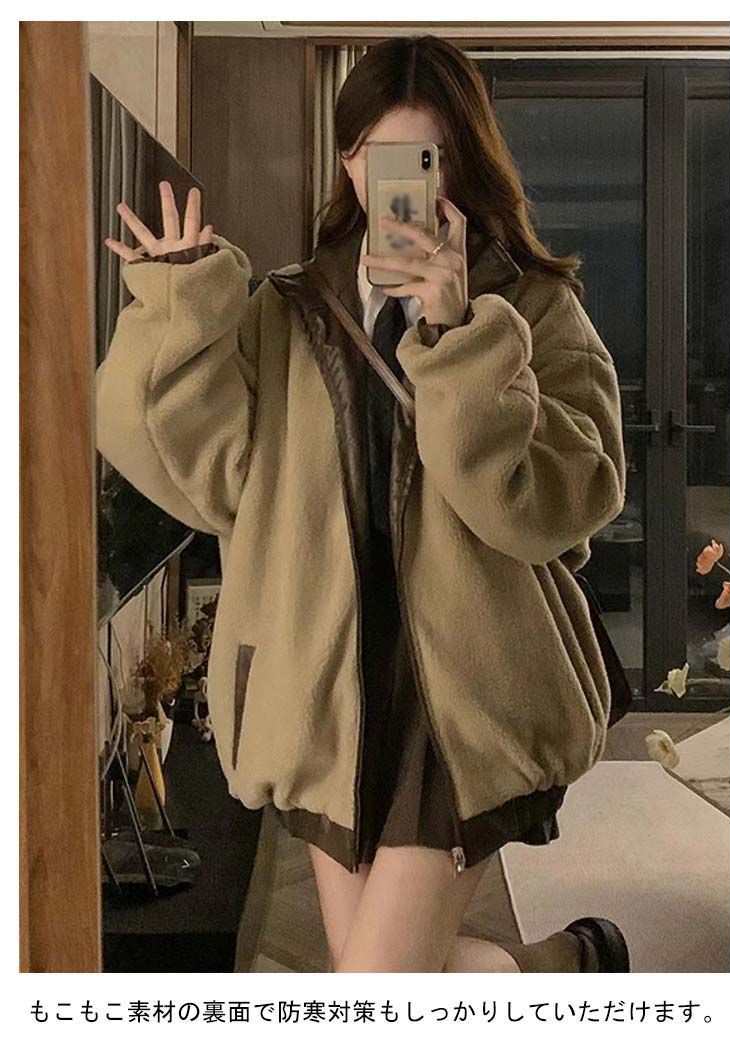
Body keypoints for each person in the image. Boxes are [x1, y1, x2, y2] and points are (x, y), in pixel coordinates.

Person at [96, 35, 630, 973]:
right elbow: (203, 478)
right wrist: (182, 307)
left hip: (460, 702)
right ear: (348, 162)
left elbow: (564, 502)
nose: (408, 187)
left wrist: (461, 335)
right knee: (383, 989)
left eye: (430, 157)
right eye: (383, 156)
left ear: (463, 163)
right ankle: (565, 966)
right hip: (323, 692)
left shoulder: (536, 307)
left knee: (376, 988)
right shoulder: (288, 309)